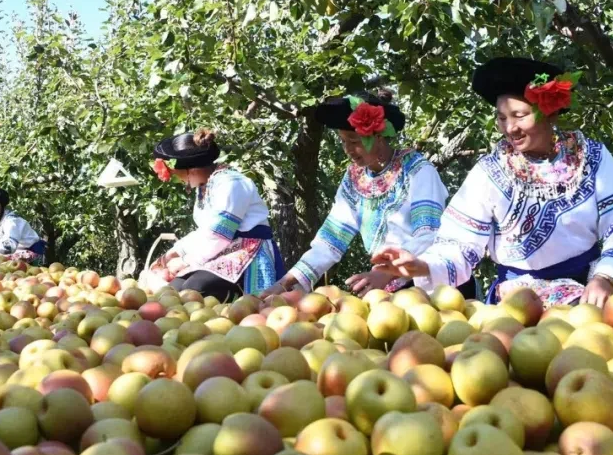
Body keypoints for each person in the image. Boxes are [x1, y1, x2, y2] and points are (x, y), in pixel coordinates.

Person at [372, 57, 613, 309]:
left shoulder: (591, 155)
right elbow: (460, 245)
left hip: (595, 275)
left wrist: (605, 275)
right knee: (586, 317)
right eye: (501, 118)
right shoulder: (489, 173)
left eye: (520, 115)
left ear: (549, 113)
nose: (509, 128)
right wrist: (423, 265)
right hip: (528, 291)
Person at [260, 90, 476, 298]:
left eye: (354, 141)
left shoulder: (418, 171)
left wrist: (387, 272)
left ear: (379, 136)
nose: (348, 149)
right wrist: (287, 281)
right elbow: (331, 240)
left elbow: (428, 234)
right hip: (390, 290)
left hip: (437, 289)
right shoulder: (354, 180)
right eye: (343, 141)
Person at [149, 129, 285, 300]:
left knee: (195, 290)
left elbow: (219, 234)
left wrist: (186, 260)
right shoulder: (205, 186)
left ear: (191, 169)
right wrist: (174, 252)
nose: (180, 180)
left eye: (179, 176)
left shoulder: (232, 183)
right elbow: (204, 232)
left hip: (248, 250)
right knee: (173, 291)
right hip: (221, 251)